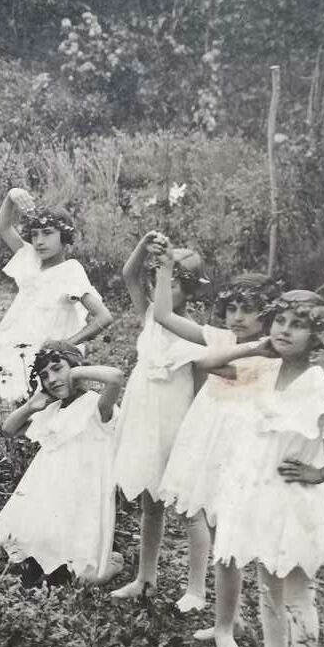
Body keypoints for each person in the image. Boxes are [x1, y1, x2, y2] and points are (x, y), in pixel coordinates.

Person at [202, 291, 324, 647]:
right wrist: (256, 346)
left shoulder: (318, 383)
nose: (284, 329)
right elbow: (206, 365)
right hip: (260, 497)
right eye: (280, 320)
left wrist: (320, 473)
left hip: (295, 501)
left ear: (317, 336)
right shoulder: (260, 370)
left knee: (297, 594)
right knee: (268, 583)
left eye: (298, 324)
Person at [156, 265, 280, 647]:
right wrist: (163, 268)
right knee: (206, 518)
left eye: (249, 310)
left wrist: (249, 348)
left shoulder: (273, 354)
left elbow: (214, 366)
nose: (238, 318)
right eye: (233, 308)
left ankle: (225, 626)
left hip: (239, 444)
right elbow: (163, 316)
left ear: (267, 315)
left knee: (228, 531)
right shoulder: (223, 337)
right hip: (206, 436)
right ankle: (230, 617)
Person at [109, 231, 209, 606]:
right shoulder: (150, 316)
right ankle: (145, 578)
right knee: (150, 502)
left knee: (188, 506)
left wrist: (195, 435)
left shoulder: (197, 335)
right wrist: (144, 245)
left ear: (193, 290)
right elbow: (128, 275)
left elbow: (200, 390)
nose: (160, 286)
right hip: (144, 419)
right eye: (158, 279)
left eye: (173, 282)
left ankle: (196, 590)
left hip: (177, 423)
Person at [0, 343, 124, 585]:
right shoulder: (53, 410)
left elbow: (116, 377)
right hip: (48, 494)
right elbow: (8, 429)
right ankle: (44, 556)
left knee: (82, 578)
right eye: (45, 375)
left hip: (83, 496)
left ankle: (113, 562)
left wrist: (76, 373)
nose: (52, 379)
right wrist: (30, 406)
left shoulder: (97, 405)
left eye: (58, 369)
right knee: (13, 559)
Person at [0, 189, 112, 403]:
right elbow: (3, 226)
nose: (39, 241)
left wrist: (67, 343)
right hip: (19, 339)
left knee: (51, 400)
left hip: (50, 348)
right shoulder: (29, 257)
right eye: (34, 234)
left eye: (47, 233)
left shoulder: (70, 270)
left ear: (64, 236)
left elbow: (103, 316)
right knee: (20, 395)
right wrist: (11, 196)